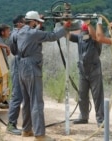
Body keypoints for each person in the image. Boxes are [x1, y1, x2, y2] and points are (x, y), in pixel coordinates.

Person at [13, 11, 71, 141]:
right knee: (37, 102)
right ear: (33, 22)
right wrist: (66, 27)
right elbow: (53, 36)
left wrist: (39, 23)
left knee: (27, 101)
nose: (38, 24)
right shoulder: (33, 33)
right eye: (37, 22)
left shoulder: (21, 31)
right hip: (32, 67)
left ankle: (26, 130)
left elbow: (34, 35)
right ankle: (39, 135)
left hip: (21, 67)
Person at [69, 20, 104, 128]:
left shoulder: (96, 38)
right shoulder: (80, 37)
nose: (83, 33)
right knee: (82, 95)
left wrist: (89, 24)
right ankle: (83, 117)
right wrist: (63, 24)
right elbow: (68, 36)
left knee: (97, 96)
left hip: (94, 70)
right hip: (83, 70)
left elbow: (94, 36)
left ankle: (100, 119)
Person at [7, 15, 25, 135]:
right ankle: (11, 125)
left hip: (22, 64)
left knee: (23, 96)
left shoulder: (18, 33)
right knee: (17, 96)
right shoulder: (16, 34)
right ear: (19, 24)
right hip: (19, 64)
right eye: (25, 22)